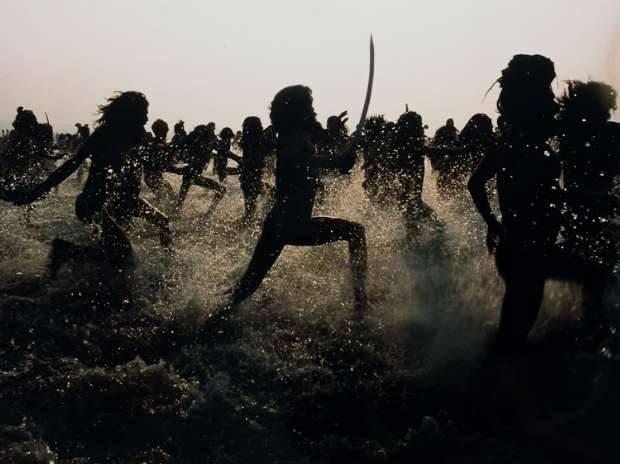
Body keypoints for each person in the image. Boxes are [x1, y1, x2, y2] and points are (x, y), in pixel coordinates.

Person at [0, 92, 171, 293]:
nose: (147, 118)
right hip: (93, 202)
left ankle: (166, 275)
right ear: (129, 114)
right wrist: (36, 192)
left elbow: (144, 165)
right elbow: (72, 164)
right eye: (144, 112)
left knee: (162, 223)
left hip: (123, 199)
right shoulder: (104, 134)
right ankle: (66, 252)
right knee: (122, 255)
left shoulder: (133, 135)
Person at [230, 85, 368, 311]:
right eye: (309, 104)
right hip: (290, 223)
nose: (313, 108)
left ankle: (206, 323)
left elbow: (311, 158)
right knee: (355, 232)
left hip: (280, 223)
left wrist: (341, 156)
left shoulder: (299, 135)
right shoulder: (292, 137)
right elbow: (299, 160)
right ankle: (361, 304)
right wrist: (336, 161)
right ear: (298, 110)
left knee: (244, 289)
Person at [468, 55, 561, 353]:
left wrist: (493, 223)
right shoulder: (521, 143)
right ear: (532, 96)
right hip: (525, 250)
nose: (552, 95)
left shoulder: (513, 139)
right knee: (510, 340)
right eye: (547, 87)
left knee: (512, 337)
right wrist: (586, 198)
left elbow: (475, 182)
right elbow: (534, 195)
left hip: (520, 245)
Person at [557, 80, 620, 329]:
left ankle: (585, 323)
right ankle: (596, 329)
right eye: (607, 106)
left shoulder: (568, 134)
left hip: (574, 215)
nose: (609, 111)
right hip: (597, 214)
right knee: (599, 276)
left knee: (594, 277)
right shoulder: (612, 134)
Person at [174, 123, 226, 215]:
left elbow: (178, 147)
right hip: (194, 175)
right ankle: (208, 214)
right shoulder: (206, 143)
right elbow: (221, 150)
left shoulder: (195, 143)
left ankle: (176, 213)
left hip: (189, 174)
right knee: (222, 189)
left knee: (180, 200)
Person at [238, 116, 273, 223]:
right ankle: (264, 221)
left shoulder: (245, 140)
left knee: (250, 209)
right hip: (254, 178)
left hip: (246, 178)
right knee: (273, 195)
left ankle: (245, 227)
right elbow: (271, 147)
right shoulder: (259, 140)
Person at [143, 118, 175, 207]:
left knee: (166, 195)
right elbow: (162, 164)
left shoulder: (154, 142)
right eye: (166, 130)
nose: (167, 132)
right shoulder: (158, 145)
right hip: (152, 177)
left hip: (151, 176)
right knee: (165, 196)